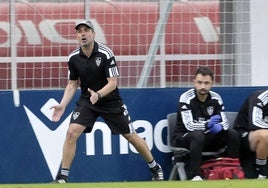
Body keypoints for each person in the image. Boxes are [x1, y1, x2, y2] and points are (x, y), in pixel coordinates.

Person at [50, 20, 163, 183]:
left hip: (110, 101)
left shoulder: (105, 53)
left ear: (93, 34)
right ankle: (63, 177)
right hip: (88, 101)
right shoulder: (73, 57)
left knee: (131, 136)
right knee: (71, 132)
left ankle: (155, 168)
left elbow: (113, 83)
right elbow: (73, 83)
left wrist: (99, 95)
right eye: (79, 31)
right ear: (76, 35)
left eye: (86, 30)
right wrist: (62, 105)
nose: (82, 33)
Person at [172, 66, 240, 181]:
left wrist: (220, 127)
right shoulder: (186, 98)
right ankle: (196, 175)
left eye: (206, 83)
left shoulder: (216, 98)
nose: (202, 86)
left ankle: (230, 170)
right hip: (185, 138)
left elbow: (225, 123)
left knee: (232, 134)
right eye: (199, 82)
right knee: (197, 134)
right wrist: (207, 124)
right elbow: (189, 126)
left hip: (206, 137)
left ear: (212, 83)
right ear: (194, 82)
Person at [233, 89, 268, 179]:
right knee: (265, 135)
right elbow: (255, 124)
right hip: (244, 135)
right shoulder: (260, 98)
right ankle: (261, 170)